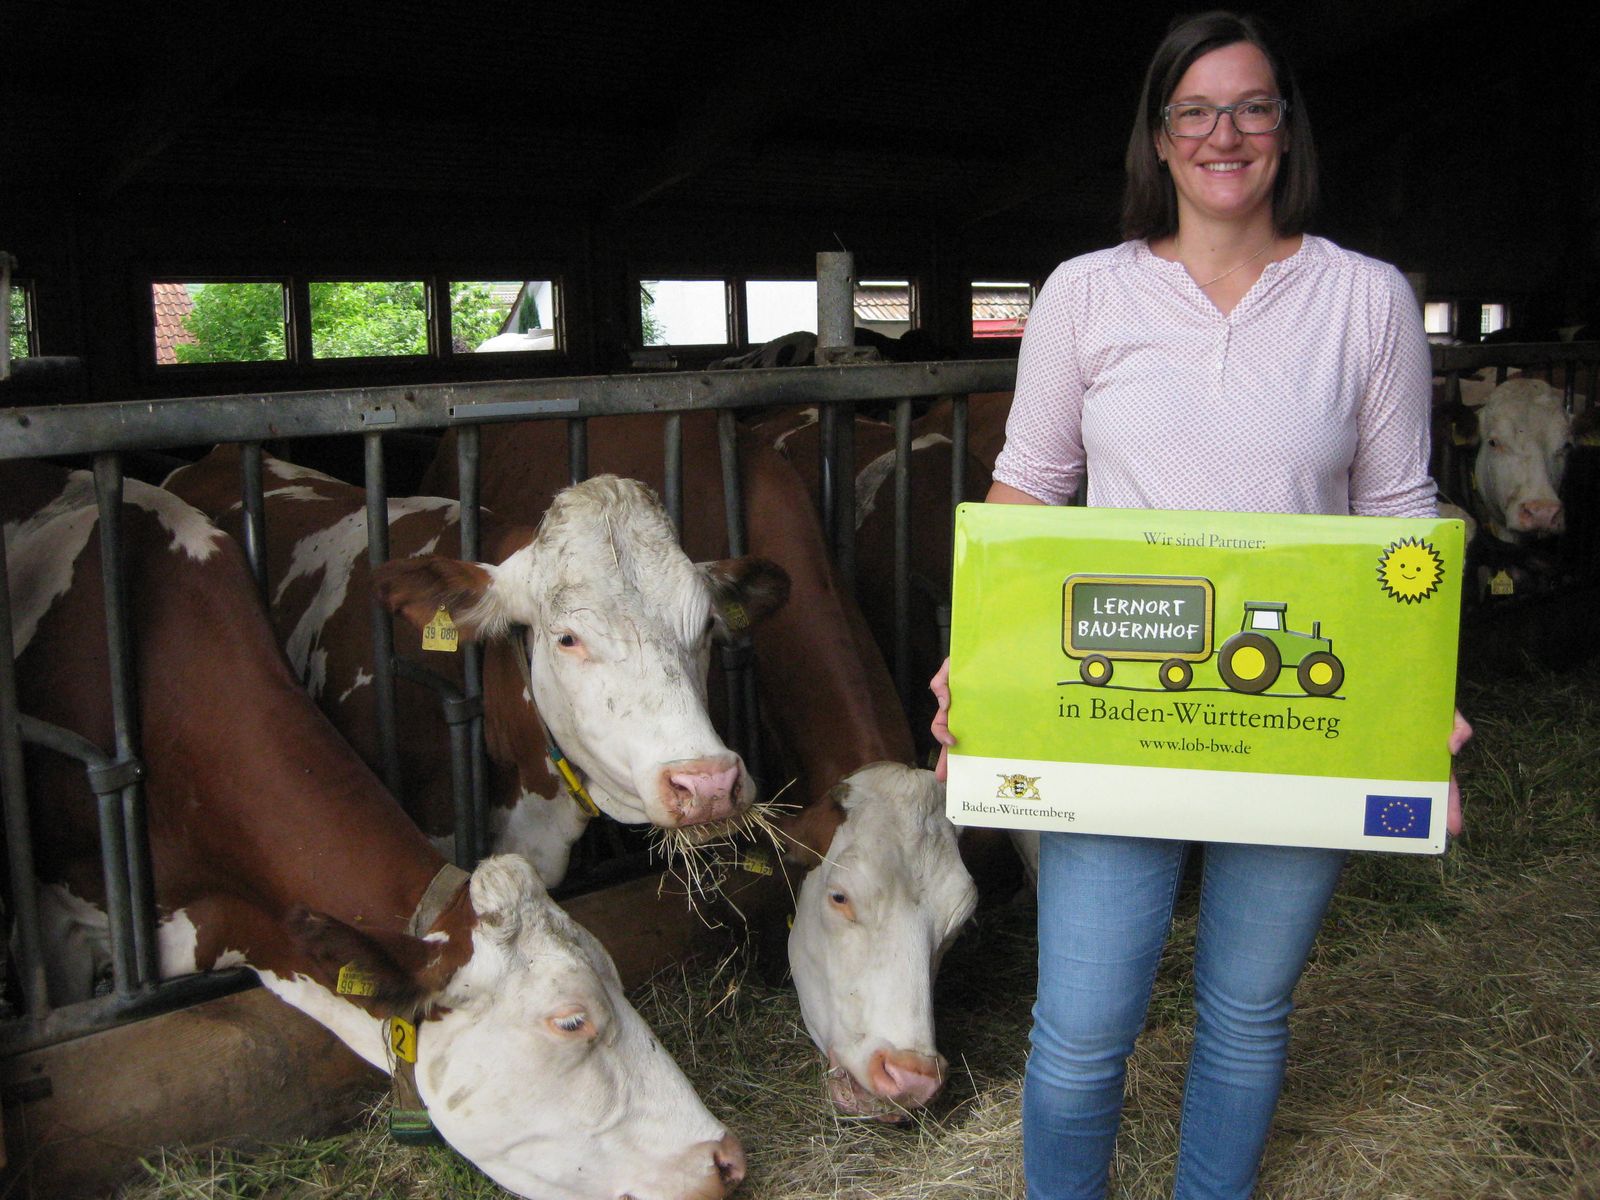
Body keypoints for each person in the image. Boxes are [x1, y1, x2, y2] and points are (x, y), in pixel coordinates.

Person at [928, 11, 1473, 1199]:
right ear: (1160, 137)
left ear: (1285, 128)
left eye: (1251, 107)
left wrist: (1413, 698)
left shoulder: (1365, 299)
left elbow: (1396, 512)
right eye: (1196, 111)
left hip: (1296, 719)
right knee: (1081, 1030)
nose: (1224, 134)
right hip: (1114, 701)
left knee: (1245, 1012)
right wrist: (977, 664)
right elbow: (1028, 485)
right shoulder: (1086, 294)